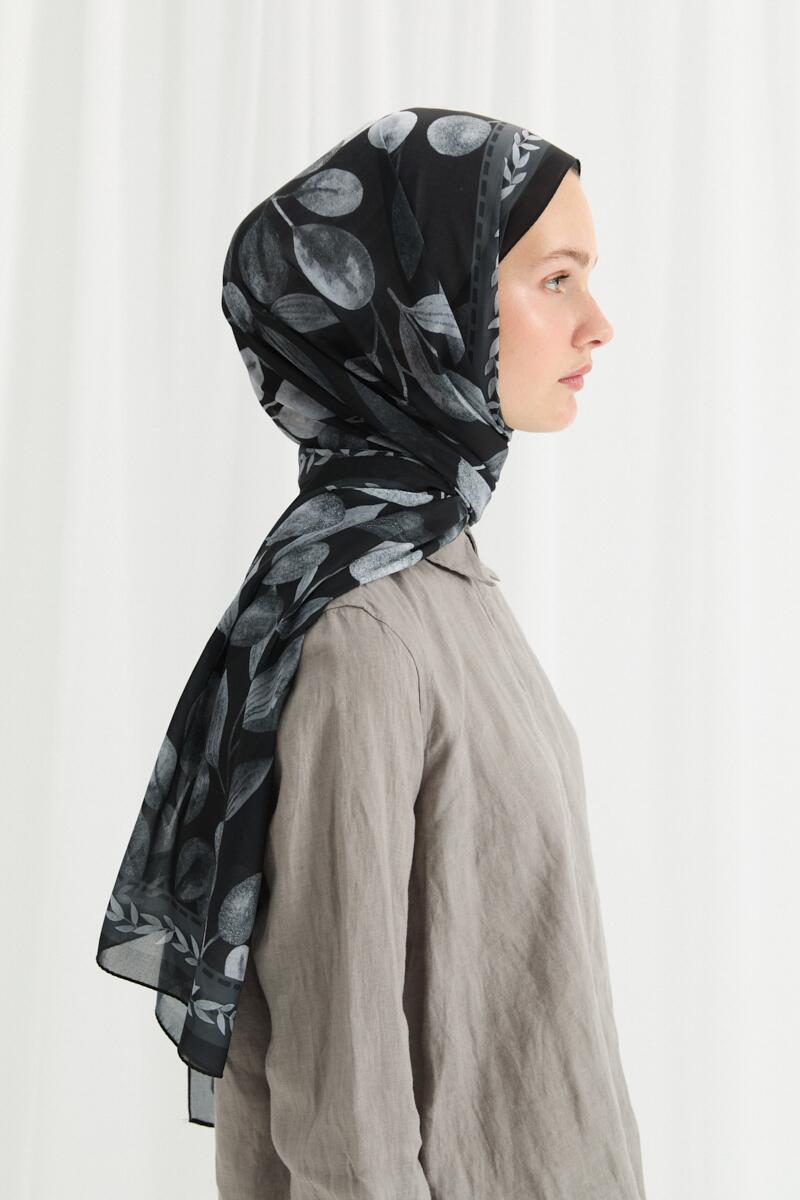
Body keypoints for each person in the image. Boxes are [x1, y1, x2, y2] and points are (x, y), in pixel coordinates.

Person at [95, 106, 645, 1199]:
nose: (598, 326)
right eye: (555, 280)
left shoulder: (439, 572)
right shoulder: (362, 627)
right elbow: (341, 1096)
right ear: (427, 309)